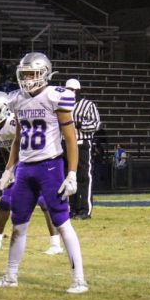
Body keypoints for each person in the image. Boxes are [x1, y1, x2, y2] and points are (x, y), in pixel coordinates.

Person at [0, 52, 88, 294]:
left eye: (32, 73)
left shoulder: (55, 97)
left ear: (44, 73)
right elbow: (18, 138)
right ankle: (11, 276)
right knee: (18, 223)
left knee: (62, 223)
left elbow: (71, 139)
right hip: (25, 169)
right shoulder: (18, 100)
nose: (28, 79)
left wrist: (71, 172)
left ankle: (79, 279)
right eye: (24, 74)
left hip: (50, 166)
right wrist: (10, 168)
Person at [0, 91, 62, 253]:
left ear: (6, 109)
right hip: (17, 163)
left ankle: (56, 244)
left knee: (45, 202)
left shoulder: (15, 122)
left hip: (37, 160)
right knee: (5, 201)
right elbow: (4, 147)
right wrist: (8, 170)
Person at [65, 79, 100, 220]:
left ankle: (85, 210)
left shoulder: (88, 105)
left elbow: (97, 124)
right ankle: (73, 209)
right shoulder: (62, 106)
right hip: (65, 145)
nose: (70, 92)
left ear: (78, 91)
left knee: (84, 177)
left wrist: (81, 125)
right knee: (69, 177)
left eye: (72, 90)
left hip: (82, 143)